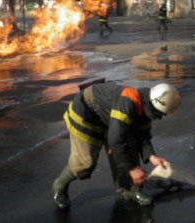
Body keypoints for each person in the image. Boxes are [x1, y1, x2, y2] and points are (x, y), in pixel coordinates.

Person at [51, 80, 181, 209]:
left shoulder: (146, 109)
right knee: (85, 162)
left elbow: (143, 136)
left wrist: (152, 156)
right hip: (86, 113)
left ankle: (129, 189)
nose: (161, 117)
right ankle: (59, 185)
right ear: (156, 107)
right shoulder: (129, 103)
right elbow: (116, 141)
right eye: (162, 113)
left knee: (128, 149)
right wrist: (132, 169)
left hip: (108, 117)